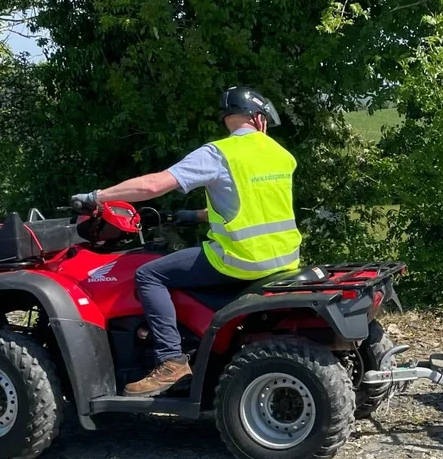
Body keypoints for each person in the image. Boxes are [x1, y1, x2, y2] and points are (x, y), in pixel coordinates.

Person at [70, 87, 301, 396]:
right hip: (285, 258)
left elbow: (153, 184)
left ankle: (171, 362)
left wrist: (96, 197)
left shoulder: (220, 153)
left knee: (148, 273)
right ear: (260, 120)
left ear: (228, 119)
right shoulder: (280, 154)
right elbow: (252, 206)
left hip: (238, 259)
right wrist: (193, 216)